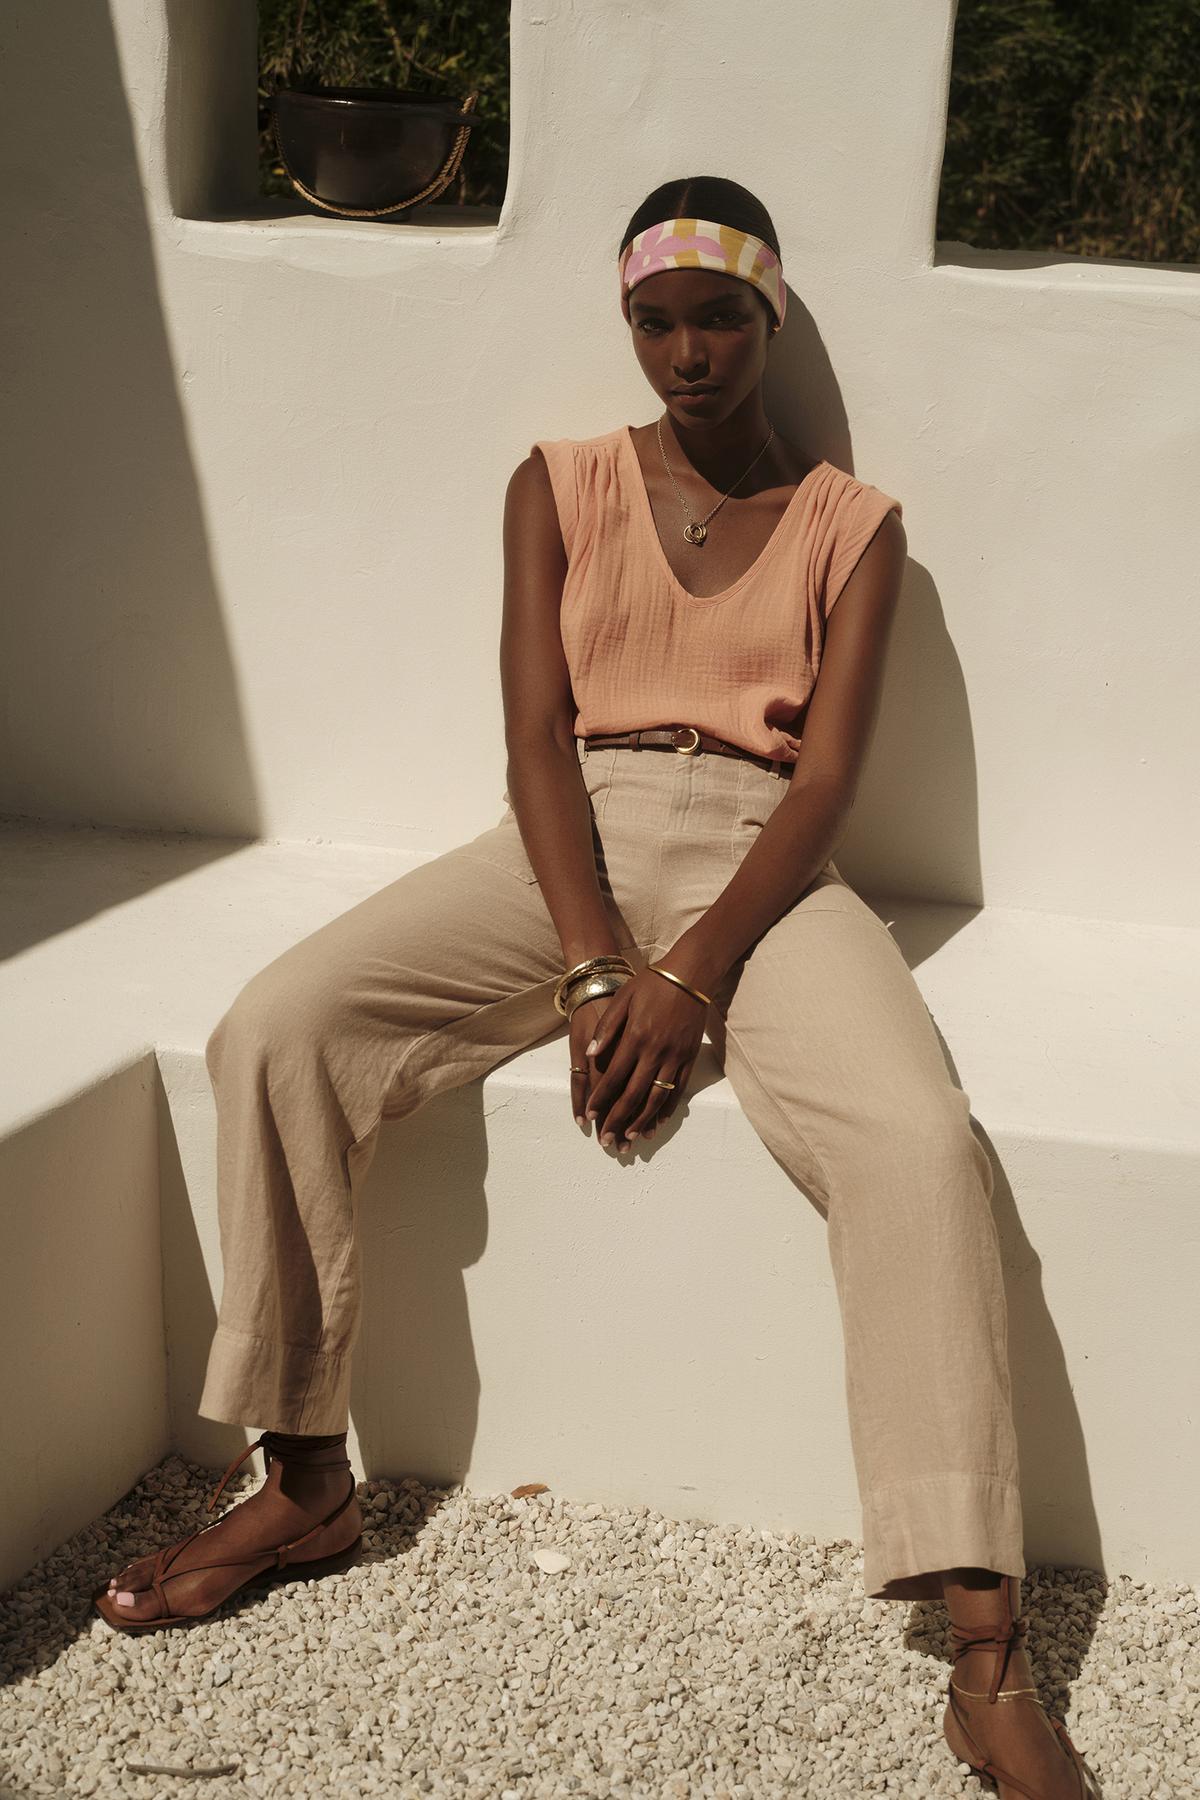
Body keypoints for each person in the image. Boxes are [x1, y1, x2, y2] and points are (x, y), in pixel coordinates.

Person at [94, 174, 1098, 1798]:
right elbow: (535, 741)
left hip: (768, 865)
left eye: (719, 318)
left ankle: (984, 1645)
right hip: (573, 838)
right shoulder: (556, 485)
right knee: (276, 1024)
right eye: (655, 321)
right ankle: (300, 1477)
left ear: (770, 317)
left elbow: (827, 785)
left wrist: (687, 979)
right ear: (626, 323)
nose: (686, 353)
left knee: (918, 1145)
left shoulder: (857, 525)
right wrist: (587, 965)